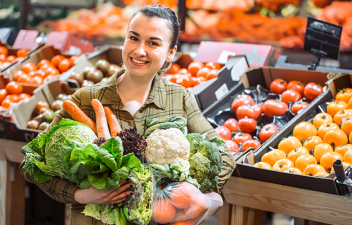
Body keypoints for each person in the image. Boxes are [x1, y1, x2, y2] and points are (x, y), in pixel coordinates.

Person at [20, 4, 236, 225]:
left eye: (153, 43)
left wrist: (190, 195)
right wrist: (80, 195)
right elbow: (30, 165)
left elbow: (225, 157)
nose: (139, 50)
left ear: (171, 53)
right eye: (134, 38)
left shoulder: (179, 98)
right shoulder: (84, 100)